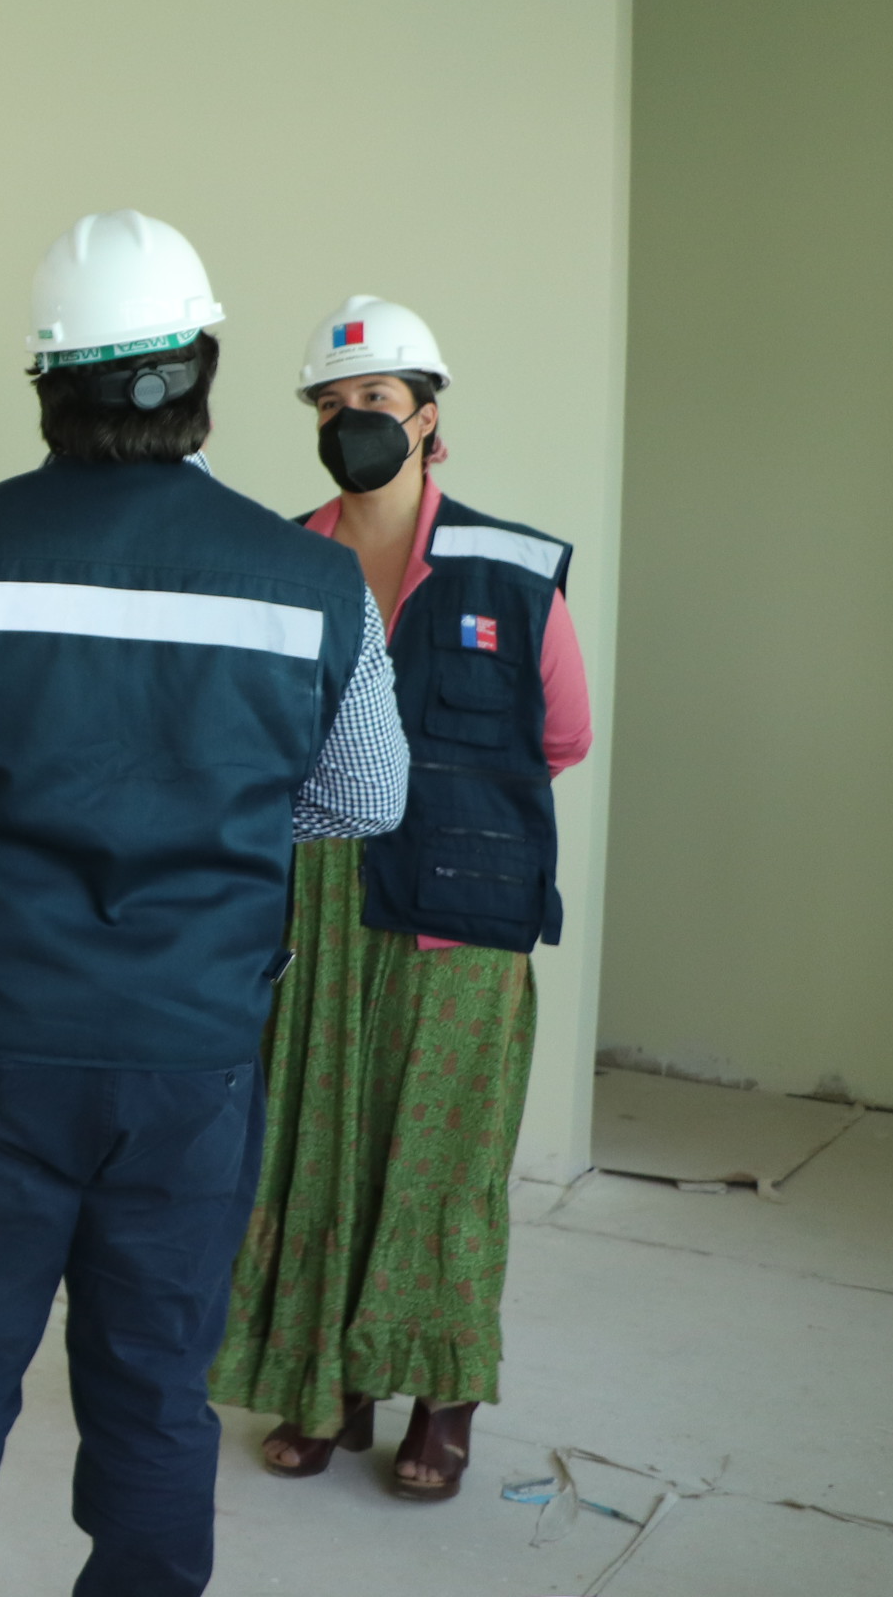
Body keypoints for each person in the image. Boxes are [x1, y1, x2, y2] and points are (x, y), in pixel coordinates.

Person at [0, 211, 409, 1597]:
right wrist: (220, 815)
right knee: (154, 1387)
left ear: (45, 381)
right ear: (203, 371)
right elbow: (369, 795)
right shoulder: (311, 580)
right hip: (190, 1057)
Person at [209, 296, 591, 1501]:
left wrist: (450, 816)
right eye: (330, 404)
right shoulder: (279, 559)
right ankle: (327, 1382)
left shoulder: (514, 568)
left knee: (440, 1155)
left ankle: (440, 1397)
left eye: (373, 399)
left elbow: (563, 736)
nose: (349, 420)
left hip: (460, 902)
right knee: (309, 1144)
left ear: (427, 416)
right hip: (311, 897)